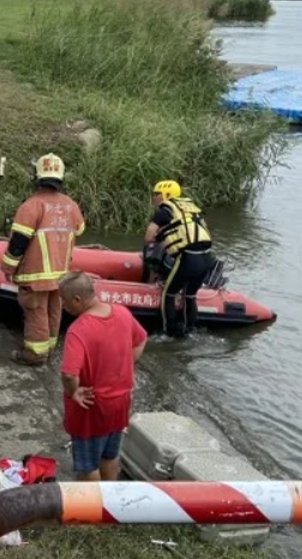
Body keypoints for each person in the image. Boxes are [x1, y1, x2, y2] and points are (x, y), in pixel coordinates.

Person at [59, 271, 147, 481]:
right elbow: (141, 339)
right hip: (120, 403)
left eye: (64, 301)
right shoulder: (122, 313)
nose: (63, 306)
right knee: (109, 456)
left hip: (92, 408)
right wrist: (125, 366)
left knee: (88, 466)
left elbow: (69, 374)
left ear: (77, 299)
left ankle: (94, 502)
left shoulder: (79, 330)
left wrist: (74, 392)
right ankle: (110, 497)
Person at [1, 154, 85, 367]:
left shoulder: (31, 205)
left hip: (35, 272)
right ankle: (49, 346)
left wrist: (8, 267)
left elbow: (18, 243)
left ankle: (36, 354)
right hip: (60, 273)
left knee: (36, 310)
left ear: (37, 176)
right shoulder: (71, 205)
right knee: (54, 309)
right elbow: (79, 230)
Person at [145, 180, 214, 337]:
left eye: (156, 194)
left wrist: (161, 238)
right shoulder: (192, 210)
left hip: (189, 258)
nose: (154, 197)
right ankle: (190, 331)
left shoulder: (164, 211)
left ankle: (168, 332)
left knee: (168, 293)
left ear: (166, 195)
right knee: (190, 295)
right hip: (207, 258)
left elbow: (148, 237)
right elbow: (208, 235)